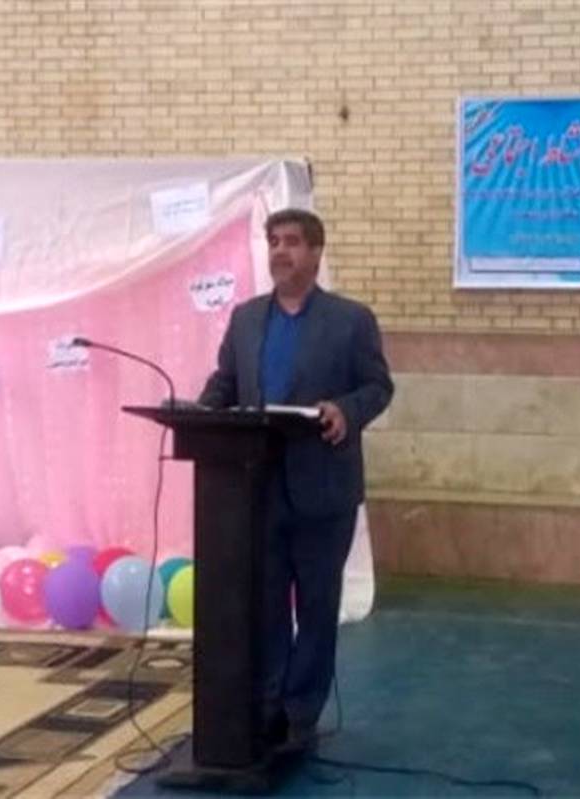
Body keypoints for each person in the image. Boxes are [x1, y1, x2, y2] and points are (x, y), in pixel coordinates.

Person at [197, 207, 393, 752]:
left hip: (323, 489)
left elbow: (378, 387)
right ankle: (267, 706)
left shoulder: (351, 320)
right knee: (264, 605)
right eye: (273, 242)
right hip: (256, 490)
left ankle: (301, 714)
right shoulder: (245, 318)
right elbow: (226, 382)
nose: (280, 251)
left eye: (291, 242)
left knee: (315, 605)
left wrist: (346, 410)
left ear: (315, 252)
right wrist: (201, 411)